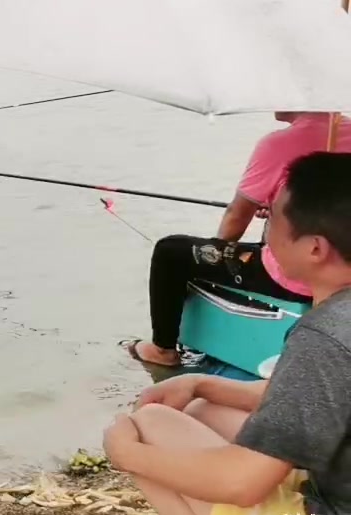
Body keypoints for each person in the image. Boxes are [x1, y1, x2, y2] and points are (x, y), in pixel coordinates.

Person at [104, 151, 351, 515]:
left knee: (147, 427)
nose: (264, 227)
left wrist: (125, 453)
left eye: (271, 217)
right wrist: (200, 382)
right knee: (206, 407)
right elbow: (309, 395)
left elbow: (242, 484)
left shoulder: (326, 336)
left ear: (314, 248)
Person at [126, 112, 351, 367]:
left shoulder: (279, 144)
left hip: (300, 276)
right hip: (343, 261)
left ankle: (162, 349)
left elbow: (237, 216)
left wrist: (217, 251)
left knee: (171, 251)